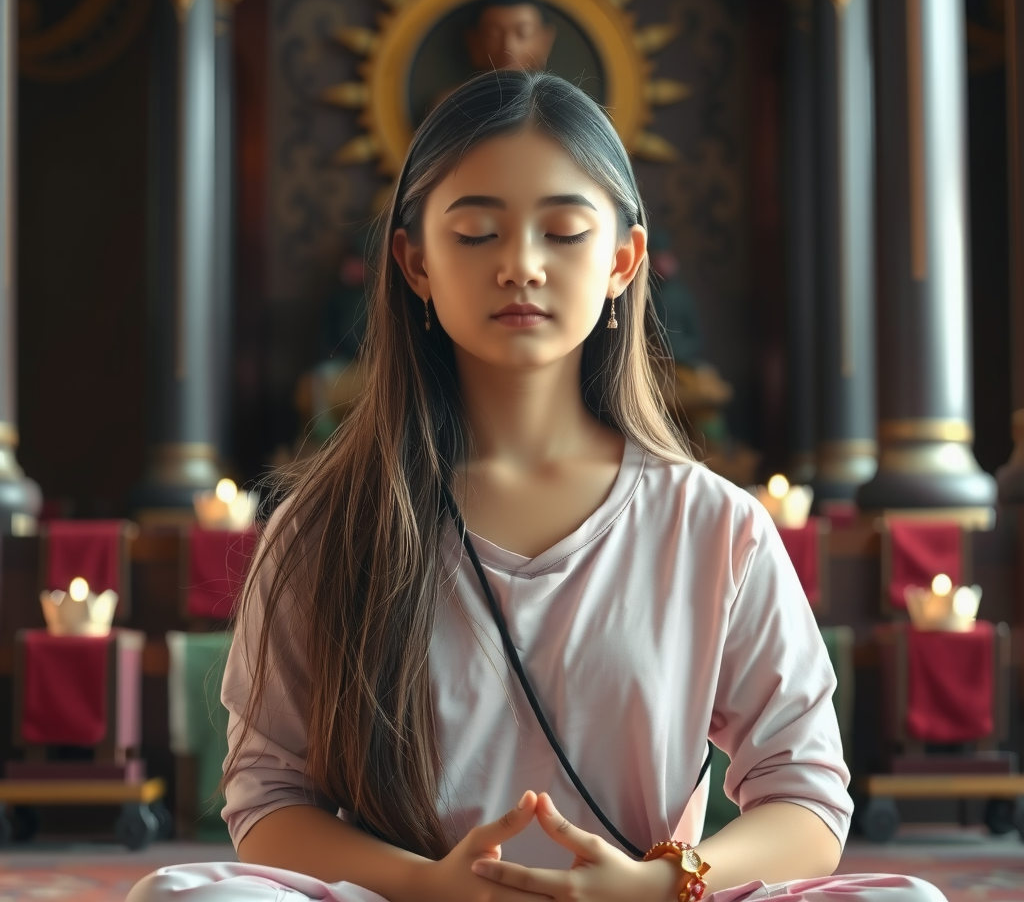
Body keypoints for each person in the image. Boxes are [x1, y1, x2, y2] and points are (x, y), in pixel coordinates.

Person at [128, 71, 945, 902]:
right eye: (477, 234)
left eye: (562, 233)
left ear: (624, 260)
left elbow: (805, 798)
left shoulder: (714, 525)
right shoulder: (327, 527)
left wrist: (662, 885)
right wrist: (430, 886)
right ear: (413, 262)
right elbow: (268, 799)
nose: (521, 265)